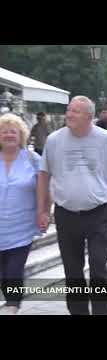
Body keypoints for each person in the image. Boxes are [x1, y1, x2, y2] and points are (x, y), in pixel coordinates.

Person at [36, 96, 107, 315]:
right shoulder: (54, 140)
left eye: (75, 111)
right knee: (73, 271)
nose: (69, 114)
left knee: (98, 265)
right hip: (66, 214)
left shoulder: (106, 140)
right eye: (69, 110)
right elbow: (43, 175)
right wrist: (41, 209)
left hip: (98, 212)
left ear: (88, 116)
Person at [0, 114, 43, 315]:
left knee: (13, 271)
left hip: (21, 227)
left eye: (13, 131)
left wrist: (44, 211)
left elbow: (45, 187)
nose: (9, 135)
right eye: (4, 131)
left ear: (21, 135)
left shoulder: (33, 159)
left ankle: (12, 307)